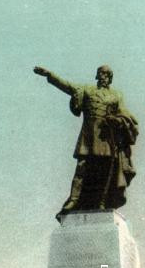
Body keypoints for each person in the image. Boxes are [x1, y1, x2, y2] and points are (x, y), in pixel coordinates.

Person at [33, 64, 138, 220]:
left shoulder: (117, 95)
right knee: (82, 169)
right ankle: (73, 200)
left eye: (106, 74)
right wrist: (50, 75)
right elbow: (67, 86)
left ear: (110, 78)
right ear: (97, 76)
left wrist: (117, 120)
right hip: (88, 138)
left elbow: (125, 114)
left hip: (106, 138)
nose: (103, 76)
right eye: (100, 73)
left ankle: (101, 202)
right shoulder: (87, 90)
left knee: (104, 171)